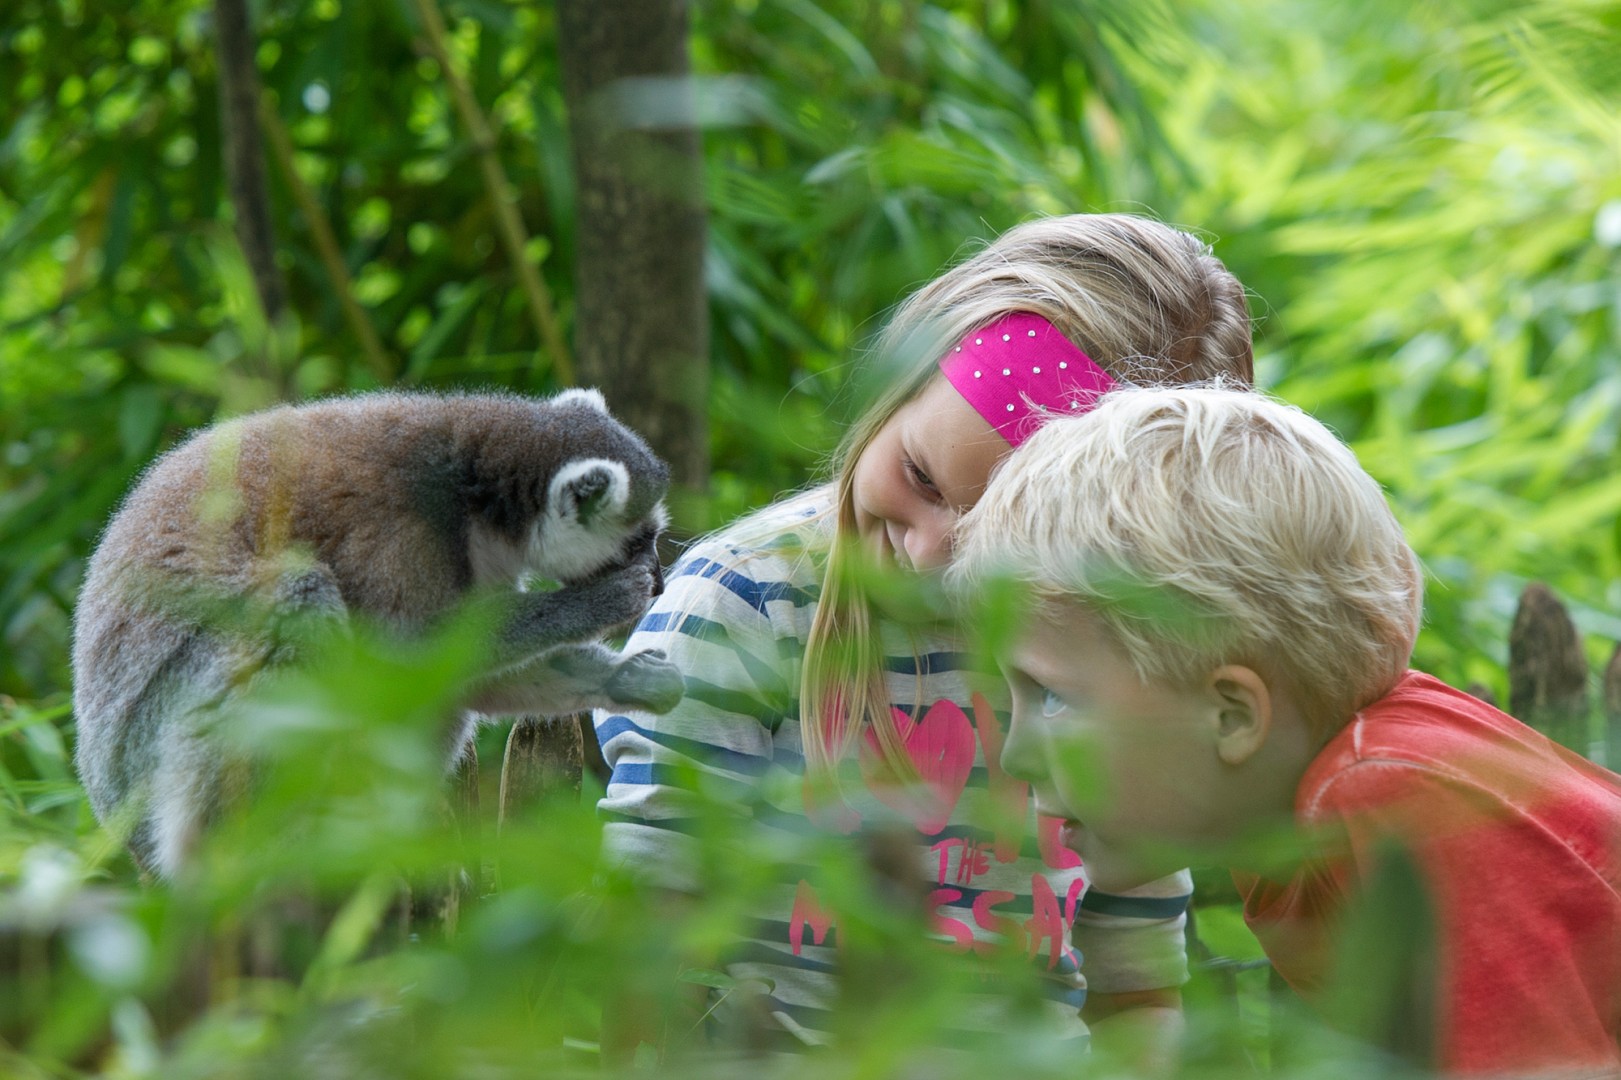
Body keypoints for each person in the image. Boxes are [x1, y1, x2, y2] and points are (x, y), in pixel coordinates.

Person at [593, 213, 1256, 1060]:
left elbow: (1136, 991)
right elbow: (648, 942)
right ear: (902, 378)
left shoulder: (1111, 668)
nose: (930, 550)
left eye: (997, 538)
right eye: (919, 476)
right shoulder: (748, 606)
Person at [949, 384, 1621, 1075]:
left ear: (1232, 716)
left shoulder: (1392, 799)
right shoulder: (1292, 815)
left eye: (1052, 698)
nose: (1016, 753)